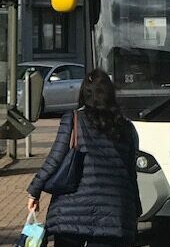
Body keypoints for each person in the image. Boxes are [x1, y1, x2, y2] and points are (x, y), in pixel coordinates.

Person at [26, 68, 142, 247]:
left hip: (70, 212)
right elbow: (130, 173)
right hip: (114, 212)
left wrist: (35, 191)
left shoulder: (73, 120)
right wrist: (135, 208)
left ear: (84, 94)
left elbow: (54, 159)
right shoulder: (126, 127)